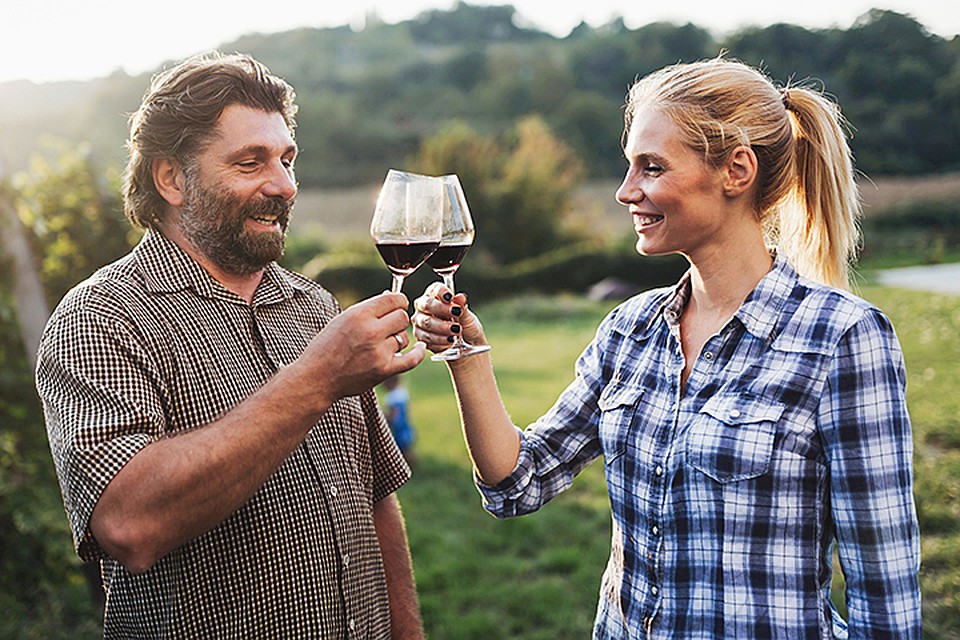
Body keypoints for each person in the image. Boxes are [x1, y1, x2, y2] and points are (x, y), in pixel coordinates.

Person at [412, 58, 921, 638]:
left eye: (650, 167)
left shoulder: (843, 339)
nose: (626, 191)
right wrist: (466, 356)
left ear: (736, 170)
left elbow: (886, 599)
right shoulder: (629, 329)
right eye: (630, 166)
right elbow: (518, 482)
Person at [35, 51, 427, 639]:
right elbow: (129, 524)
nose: (285, 185)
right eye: (251, 163)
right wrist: (316, 379)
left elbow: (375, 500)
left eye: (287, 159)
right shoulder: (100, 316)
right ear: (171, 178)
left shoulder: (315, 306)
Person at [382, 375, 418, 467]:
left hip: (399, 429)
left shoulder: (392, 397)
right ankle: (413, 465)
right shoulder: (402, 392)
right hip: (406, 426)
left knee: (403, 449)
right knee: (407, 448)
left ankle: (411, 466)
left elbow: (393, 413)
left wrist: (385, 418)